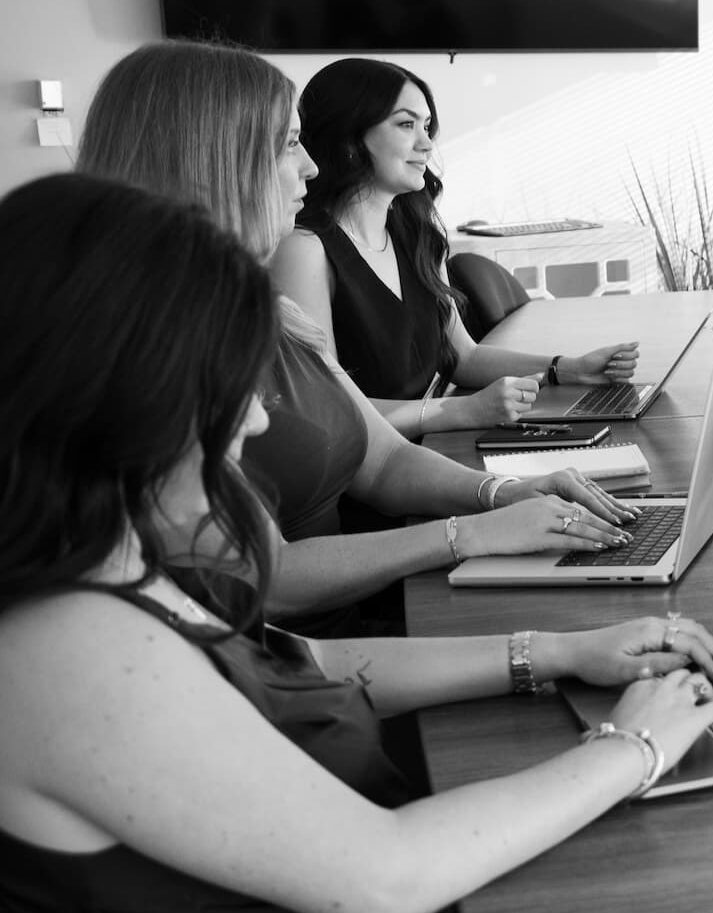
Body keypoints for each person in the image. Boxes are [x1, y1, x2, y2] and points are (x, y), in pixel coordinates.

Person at [0, 171, 713, 913]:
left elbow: (307, 663)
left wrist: (560, 652)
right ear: (121, 403)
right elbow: (387, 876)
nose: (256, 422)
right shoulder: (65, 650)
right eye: (227, 391)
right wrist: (632, 747)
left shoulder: (120, 561)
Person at [76, 41, 638, 637]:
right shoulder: (150, 355)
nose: (310, 166)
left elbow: (385, 459)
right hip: (307, 643)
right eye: (288, 143)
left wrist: (505, 493)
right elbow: (273, 583)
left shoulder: (271, 310)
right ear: (212, 162)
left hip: (343, 622)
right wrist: (469, 531)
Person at [272, 57, 640, 438]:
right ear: (350, 137)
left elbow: (464, 356)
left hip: (428, 446)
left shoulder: (417, 236)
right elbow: (328, 408)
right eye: (406, 125)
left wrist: (568, 368)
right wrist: (462, 410)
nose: (426, 144)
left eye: (427, 126)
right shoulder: (303, 249)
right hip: (375, 466)